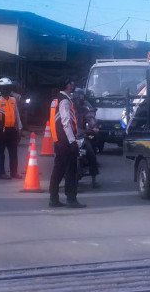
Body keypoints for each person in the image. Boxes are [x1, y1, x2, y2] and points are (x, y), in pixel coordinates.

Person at [48, 77, 86, 208]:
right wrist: (72, 141)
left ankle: (53, 198)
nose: (73, 85)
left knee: (58, 169)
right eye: (72, 83)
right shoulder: (64, 101)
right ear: (68, 85)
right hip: (65, 140)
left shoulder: (56, 99)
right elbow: (66, 123)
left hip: (58, 139)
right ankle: (71, 199)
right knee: (71, 170)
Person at [0, 77, 23, 180]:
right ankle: (1, 173)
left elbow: (17, 114)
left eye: (8, 87)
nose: (7, 90)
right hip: (0, 131)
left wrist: (20, 128)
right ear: (0, 89)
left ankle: (14, 172)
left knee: (13, 152)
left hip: (12, 130)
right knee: (0, 153)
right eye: (4, 88)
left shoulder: (13, 100)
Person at [72, 88, 100, 188]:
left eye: (81, 96)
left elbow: (90, 118)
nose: (79, 99)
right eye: (78, 97)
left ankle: (94, 179)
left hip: (82, 136)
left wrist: (94, 127)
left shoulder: (85, 108)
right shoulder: (69, 108)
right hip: (71, 136)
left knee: (92, 155)